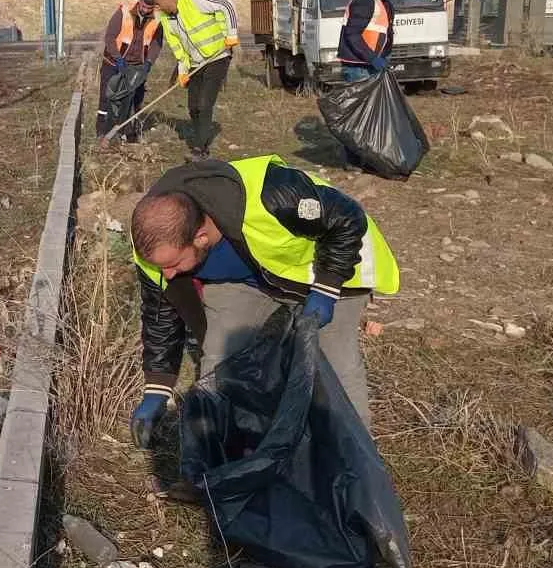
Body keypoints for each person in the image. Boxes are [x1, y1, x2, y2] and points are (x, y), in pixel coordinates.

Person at [126, 155, 399, 450]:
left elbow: (347, 218)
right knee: (220, 358)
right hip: (246, 276)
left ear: (201, 237)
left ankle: (354, 464)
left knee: (336, 364)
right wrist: (157, 387)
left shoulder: (275, 197)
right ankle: (220, 463)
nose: (167, 273)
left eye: (175, 264)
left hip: (332, 264)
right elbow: (160, 312)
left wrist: (327, 288)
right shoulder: (154, 240)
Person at [153, 0, 239, 157]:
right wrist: (183, 71)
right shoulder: (166, 19)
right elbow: (178, 48)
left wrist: (232, 34)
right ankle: (202, 138)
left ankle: (200, 148)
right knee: (193, 107)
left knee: (205, 104)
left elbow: (227, 5)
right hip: (195, 64)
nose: (157, 8)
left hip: (217, 57)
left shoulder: (194, 2)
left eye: (158, 4)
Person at [97, 0, 162, 142]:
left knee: (133, 101)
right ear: (140, 1)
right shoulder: (123, 13)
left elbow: (156, 44)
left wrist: (149, 62)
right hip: (113, 63)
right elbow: (110, 37)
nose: (145, 10)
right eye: (144, 6)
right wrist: (118, 59)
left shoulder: (157, 19)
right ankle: (102, 132)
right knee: (107, 98)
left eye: (149, 8)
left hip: (137, 67)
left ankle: (129, 133)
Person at [338, 0, 396, 83]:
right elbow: (352, 34)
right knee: (363, 102)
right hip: (360, 67)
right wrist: (373, 58)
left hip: (367, 64)